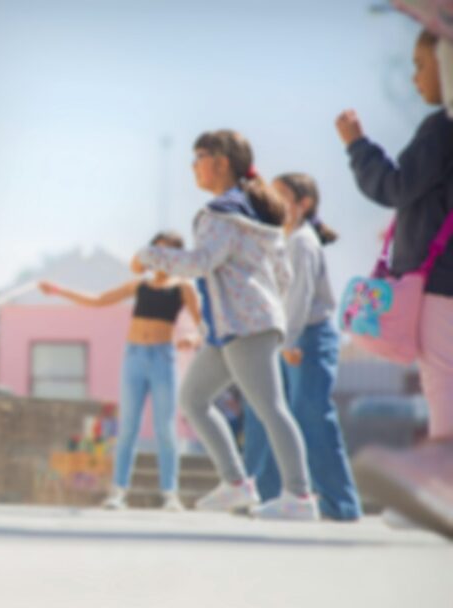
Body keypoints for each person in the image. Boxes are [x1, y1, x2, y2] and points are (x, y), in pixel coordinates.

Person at [131, 130, 318, 521]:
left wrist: (150, 256)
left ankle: (299, 497)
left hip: (246, 324)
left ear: (220, 162)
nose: (192, 166)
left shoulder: (220, 212)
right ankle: (236, 485)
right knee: (194, 400)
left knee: (270, 407)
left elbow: (201, 262)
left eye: (197, 156)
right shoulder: (255, 211)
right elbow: (281, 275)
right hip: (234, 325)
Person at [338, 28, 453, 537]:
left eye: (421, 64)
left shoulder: (443, 128)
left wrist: (356, 145)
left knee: (442, 379)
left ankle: (439, 488)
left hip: (439, 282)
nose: (415, 77)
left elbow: (395, 186)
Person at [38, 231, 201, 512]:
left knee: (165, 427)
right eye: (156, 251)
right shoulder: (140, 285)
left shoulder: (184, 288)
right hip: (134, 356)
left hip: (163, 357)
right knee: (128, 427)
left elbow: (202, 325)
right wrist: (59, 291)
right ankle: (118, 492)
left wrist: (193, 340)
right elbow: (99, 300)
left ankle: (170, 493)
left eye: (167, 253)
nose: (160, 259)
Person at [242, 173, 362, 521]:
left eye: (282, 196)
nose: (275, 203)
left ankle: (340, 505)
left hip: (306, 338)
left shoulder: (302, 242)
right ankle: (271, 496)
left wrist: (288, 341)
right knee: (268, 416)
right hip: (286, 335)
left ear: (303, 203)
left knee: (312, 418)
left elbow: (299, 296)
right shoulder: (285, 239)